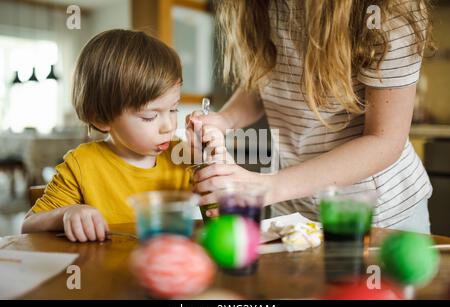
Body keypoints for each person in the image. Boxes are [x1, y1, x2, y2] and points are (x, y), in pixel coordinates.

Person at [187, 0, 434, 234]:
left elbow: (384, 140)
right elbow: (266, 79)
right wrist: (225, 120)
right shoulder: (265, 5)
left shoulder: (388, 10)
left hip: (376, 215)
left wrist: (265, 186)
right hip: (292, 212)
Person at [22, 29, 225, 242]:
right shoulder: (81, 165)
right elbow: (28, 225)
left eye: (174, 109)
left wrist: (211, 163)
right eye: (150, 116)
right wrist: (65, 214)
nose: (169, 126)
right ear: (101, 118)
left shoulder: (183, 156)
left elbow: (222, 223)